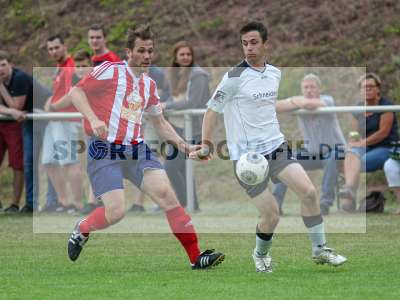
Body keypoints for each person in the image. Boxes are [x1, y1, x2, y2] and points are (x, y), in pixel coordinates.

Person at [190, 21, 346, 272]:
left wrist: (294, 102)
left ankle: (320, 250)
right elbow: (211, 112)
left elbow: (268, 106)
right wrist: (206, 145)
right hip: (247, 158)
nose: (249, 48)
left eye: (254, 43)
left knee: (309, 193)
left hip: (276, 147)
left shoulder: (274, 73)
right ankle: (260, 255)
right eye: (244, 43)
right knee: (272, 214)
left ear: (265, 45)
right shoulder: (233, 77)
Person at [66, 24, 224, 270]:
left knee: (168, 197)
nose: (147, 56)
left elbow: (160, 122)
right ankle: (83, 228)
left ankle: (196, 257)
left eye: (150, 50)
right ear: (128, 52)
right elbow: (76, 92)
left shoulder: (149, 85)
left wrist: (185, 147)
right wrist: (94, 119)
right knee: (116, 212)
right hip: (104, 149)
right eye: (141, 50)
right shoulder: (110, 70)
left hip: (137, 150)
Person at [273, 74, 346, 215]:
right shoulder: (300, 103)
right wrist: (296, 102)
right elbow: (276, 106)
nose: (309, 90)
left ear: (319, 89)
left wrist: (293, 102)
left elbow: (311, 104)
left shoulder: (327, 100)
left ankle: (324, 205)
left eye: (312, 87)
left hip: (334, 150)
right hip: (311, 153)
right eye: (305, 87)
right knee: (283, 160)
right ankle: (276, 205)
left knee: (331, 159)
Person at [160, 41, 210, 210]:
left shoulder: (199, 75)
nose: (185, 57)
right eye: (182, 54)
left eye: (188, 54)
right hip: (177, 128)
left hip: (193, 128)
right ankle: (191, 204)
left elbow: (194, 103)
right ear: (175, 57)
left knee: (173, 167)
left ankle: (185, 204)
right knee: (179, 168)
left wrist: (167, 106)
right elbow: (171, 97)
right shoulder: (175, 74)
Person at [339, 73, 399, 211]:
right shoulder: (358, 108)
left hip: (385, 147)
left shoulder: (386, 106)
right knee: (350, 155)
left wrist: (361, 143)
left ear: (378, 89)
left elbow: (383, 133)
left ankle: (349, 198)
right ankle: (349, 196)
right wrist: (352, 142)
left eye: (371, 86)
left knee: (358, 162)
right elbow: (354, 133)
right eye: (364, 87)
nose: (367, 89)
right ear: (360, 90)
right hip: (365, 146)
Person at [42, 34, 84, 213]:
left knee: (69, 161)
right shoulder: (59, 67)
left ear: (65, 46)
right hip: (54, 120)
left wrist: (53, 105)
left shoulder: (71, 66)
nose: (53, 52)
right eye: (50, 49)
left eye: (56, 47)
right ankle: (64, 202)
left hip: (67, 119)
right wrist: (50, 103)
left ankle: (79, 204)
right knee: (48, 161)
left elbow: (73, 95)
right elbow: (57, 94)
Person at [0, 50, 25, 213]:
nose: (0, 69)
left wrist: (0, 86)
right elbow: (12, 110)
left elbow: (16, 107)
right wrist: (10, 112)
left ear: (10, 65)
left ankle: (15, 204)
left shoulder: (19, 78)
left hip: (17, 124)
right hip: (4, 121)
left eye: (3, 65)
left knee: (17, 164)